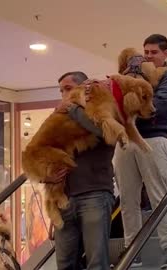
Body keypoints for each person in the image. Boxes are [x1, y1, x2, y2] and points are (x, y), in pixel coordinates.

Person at [113, 34, 167, 268]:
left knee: (158, 196)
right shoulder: (131, 75)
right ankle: (132, 252)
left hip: (154, 141)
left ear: (165, 53)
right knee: (127, 199)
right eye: (146, 52)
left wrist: (132, 102)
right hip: (125, 141)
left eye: (153, 52)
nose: (148, 56)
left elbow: (158, 107)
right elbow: (115, 105)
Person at [44, 71, 115, 270]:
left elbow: (104, 133)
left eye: (67, 88)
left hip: (95, 194)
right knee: (65, 264)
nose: (64, 94)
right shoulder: (60, 118)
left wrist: (73, 108)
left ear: (83, 86)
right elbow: (46, 152)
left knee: (96, 262)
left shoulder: (102, 107)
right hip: (64, 200)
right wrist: (47, 179)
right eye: (61, 91)